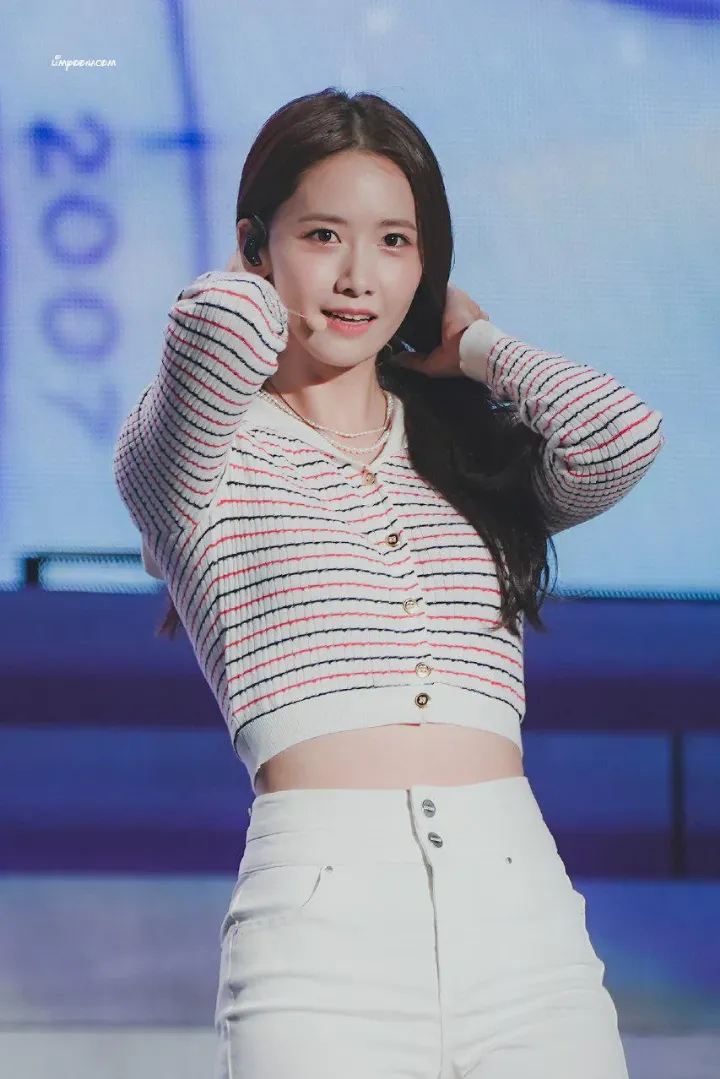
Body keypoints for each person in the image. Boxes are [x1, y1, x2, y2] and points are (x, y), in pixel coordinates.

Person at [113, 88, 664, 1079]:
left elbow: (620, 434)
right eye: (323, 234)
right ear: (255, 243)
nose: (359, 276)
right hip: (321, 941)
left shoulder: (467, 452)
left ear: (428, 266)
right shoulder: (195, 459)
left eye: (396, 242)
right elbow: (216, 327)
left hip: (524, 921)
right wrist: (256, 275)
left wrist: (477, 348)